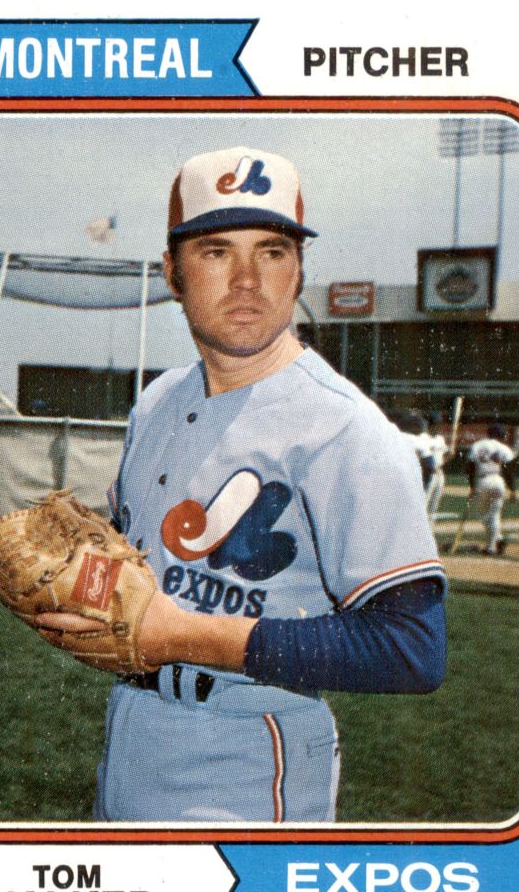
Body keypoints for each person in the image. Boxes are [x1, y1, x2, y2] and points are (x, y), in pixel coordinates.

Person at [46, 146, 447, 823]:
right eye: (216, 251)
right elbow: (135, 560)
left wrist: (182, 637)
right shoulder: (158, 401)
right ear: (172, 273)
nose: (247, 280)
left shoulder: (345, 428)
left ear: (299, 271)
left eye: (272, 252)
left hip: (251, 752)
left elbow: (412, 649)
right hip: (132, 729)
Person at [466, 423, 517, 556]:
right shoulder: (504, 448)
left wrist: (472, 487)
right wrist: (512, 490)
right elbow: (508, 471)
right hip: (498, 481)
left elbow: (470, 467)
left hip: (483, 480)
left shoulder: (477, 445)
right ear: (500, 435)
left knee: (482, 514)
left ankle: (491, 547)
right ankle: (498, 539)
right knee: (494, 514)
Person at [424, 412, 449, 518]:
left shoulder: (440, 439)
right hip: (428, 474)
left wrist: (449, 455)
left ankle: (430, 527)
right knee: (425, 501)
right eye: (437, 424)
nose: (439, 426)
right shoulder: (424, 438)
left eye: (439, 424)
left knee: (434, 504)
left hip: (439, 474)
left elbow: (444, 457)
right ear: (431, 424)